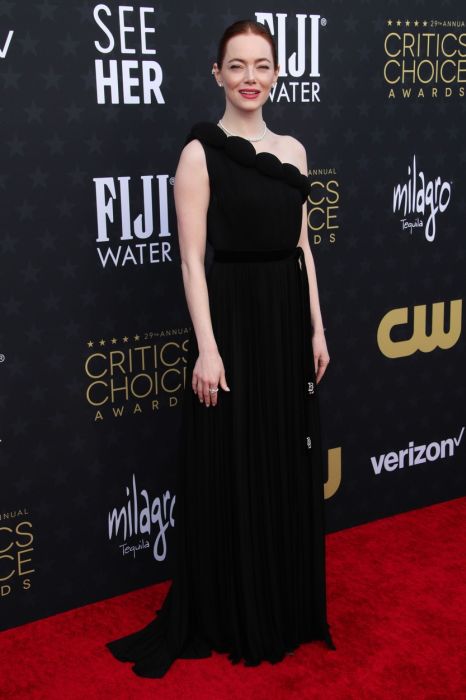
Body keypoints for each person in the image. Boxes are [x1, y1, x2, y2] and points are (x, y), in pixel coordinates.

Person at [106, 18, 335, 678]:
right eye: (237, 65)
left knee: (282, 455)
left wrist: (317, 329)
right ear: (217, 74)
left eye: (261, 65)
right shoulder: (199, 154)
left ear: (277, 73)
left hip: (286, 322)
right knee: (235, 460)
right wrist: (207, 350)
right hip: (231, 323)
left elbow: (302, 248)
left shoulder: (294, 151)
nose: (250, 77)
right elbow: (190, 261)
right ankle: (236, 607)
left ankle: (282, 602)